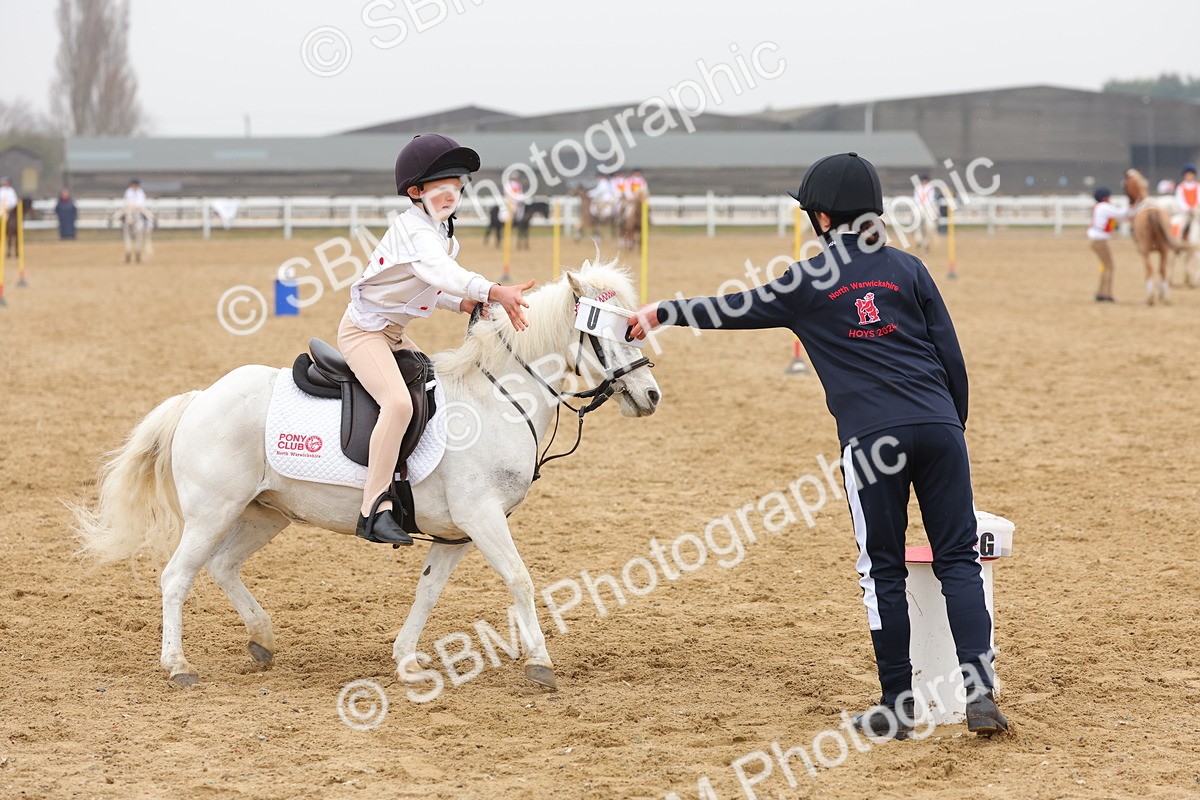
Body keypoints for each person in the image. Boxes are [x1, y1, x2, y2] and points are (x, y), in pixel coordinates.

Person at [628, 152, 1007, 739]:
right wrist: (952, 426)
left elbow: (733, 308)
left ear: (825, 220)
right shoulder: (910, 269)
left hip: (872, 441)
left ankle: (898, 705)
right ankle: (980, 696)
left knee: (882, 569)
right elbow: (951, 357)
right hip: (939, 429)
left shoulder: (807, 282)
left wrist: (663, 312)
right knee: (958, 558)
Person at [340, 133, 534, 545]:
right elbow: (443, 273)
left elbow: (429, 285)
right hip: (364, 333)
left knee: (434, 389)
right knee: (396, 403)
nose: (453, 192)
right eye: (442, 185)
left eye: (458, 184)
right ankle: (372, 508)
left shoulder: (441, 231)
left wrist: (462, 306)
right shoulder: (415, 230)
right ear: (416, 191)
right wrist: (493, 291)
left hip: (393, 334)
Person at [1087, 187, 1127, 302]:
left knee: (1106, 266)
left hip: (1096, 239)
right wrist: (1133, 206)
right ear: (1105, 198)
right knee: (1109, 266)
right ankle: (1106, 294)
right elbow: (1120, 214)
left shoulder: (1099, 207)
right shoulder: (1104, 207)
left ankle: (1101, 292)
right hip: (1100, 240)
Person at [1174, 164, 1199, 239]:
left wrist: (1195, 208)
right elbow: (1179, 200)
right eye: (1187, 174)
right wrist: (1187, 208)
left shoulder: (1198, 186)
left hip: (1197, 212)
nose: (1189, 176)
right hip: (1185, 213)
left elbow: (1199, 199)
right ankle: (1177, 243)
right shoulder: (1180, 187)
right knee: (1176, 223)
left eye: (1191, 174)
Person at [0, 177, 17, 257]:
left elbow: (14, 201)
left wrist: (10, 208)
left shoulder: (11, 191)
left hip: (10, 210)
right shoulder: (1, 191)